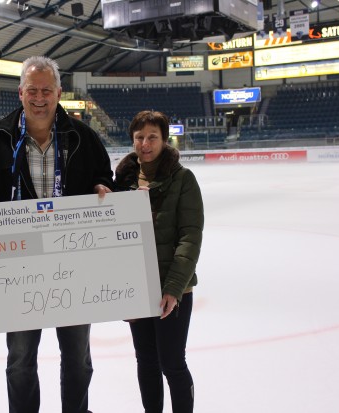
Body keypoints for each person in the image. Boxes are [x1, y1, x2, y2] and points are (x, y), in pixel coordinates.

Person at [0, 56, 113, 413]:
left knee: (78, 357)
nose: (40, 97)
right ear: (20, 93)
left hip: (74, 263)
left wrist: (104, 188)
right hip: (19, 269)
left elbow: (104, 177)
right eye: (32, 90)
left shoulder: (82, 137)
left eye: (47, 90)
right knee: (20, 359)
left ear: (59, 93)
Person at [113, 110, 204, 413]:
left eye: (152, 137)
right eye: (139, 137)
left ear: (164, 140)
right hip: (137, 288)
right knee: (146, 361)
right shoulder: (122, 180)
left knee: (172, 362)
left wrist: (174, 288)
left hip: (172, 289)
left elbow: (189, 238)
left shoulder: (183, 180)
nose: (145, 143)